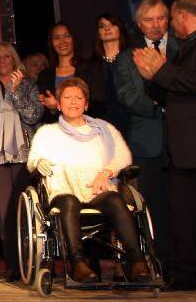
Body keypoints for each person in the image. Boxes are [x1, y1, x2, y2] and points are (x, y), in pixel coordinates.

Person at [132, 0, 196, 291]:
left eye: (171, 18)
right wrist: (152, 78)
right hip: (185, 149)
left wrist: (162, 71)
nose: (169, 25)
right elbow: (174, 91)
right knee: (183, 216)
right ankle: (183, 273)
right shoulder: (187, 48)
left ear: (184, 16)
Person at [27, 77, 150, 283]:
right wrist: (39, 162)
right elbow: (32, 160)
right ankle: (78, 264)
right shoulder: (48, 133)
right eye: (67, 97)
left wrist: (107, 172)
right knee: (69, 201)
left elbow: (123, 156)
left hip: (96, 190)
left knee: (114, 199)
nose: (73, 102)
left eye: (79, 97)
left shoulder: (104, 130)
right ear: (58, 104)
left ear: (87, 103)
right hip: (63, 191)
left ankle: (137, 261)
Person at [114, 0, 176, 275]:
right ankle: (160, 263)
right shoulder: (128, 57)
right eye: (149, 20)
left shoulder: (181, 49)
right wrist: (162, 103)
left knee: (188, 205)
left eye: (161, 18)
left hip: (184, 138)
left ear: (169, 20)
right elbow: (128, 97)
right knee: (156, 208)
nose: (155, 25)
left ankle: (191, 264)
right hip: (147, 141)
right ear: (139, 24)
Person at [0, 43, 42, 281]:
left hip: (23, 156)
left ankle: (30, 262)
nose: (2, 61)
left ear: (14, 60)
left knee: (24, 211)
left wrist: (14, 91)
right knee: (5, 214)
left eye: (7, 57)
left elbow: (34, 115)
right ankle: (13, 265)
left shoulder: (29, 85)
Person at [37, 23, 101, 123]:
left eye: (67, 36)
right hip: (58, 132)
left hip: (86, 129)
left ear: (74, 39)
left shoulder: (90, 68)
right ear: (51, 43)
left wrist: (59, 105)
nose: (62, 41)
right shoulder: (45, 75)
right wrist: (52, 109)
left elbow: (99, 104)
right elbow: (42, 113)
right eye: (57, 38)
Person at [89, 13, 130, 132]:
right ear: (98, 33)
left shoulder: (132, 58)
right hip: (103, 124)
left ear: (120, 29)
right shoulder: (91, 65)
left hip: (131, 121)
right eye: (102, 26)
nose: (107, 28)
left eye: (112, 24)